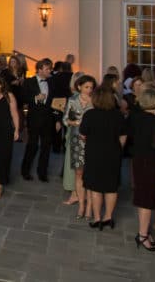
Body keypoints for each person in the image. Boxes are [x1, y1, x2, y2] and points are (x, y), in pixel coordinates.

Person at [80, 85, 127, 230]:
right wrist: (117, 148)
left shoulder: (90, 115)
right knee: (111, 188)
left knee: (95, 188)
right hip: (113, 154)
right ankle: (108, 217)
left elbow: (83, 134)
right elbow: (123, 136)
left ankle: (97, 218)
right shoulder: (118, 115)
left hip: (94, 154)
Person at [129, 87, 155, 252]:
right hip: (149, 162)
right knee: (147, 198)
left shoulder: (135, 117)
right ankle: (142, 235)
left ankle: (145, 232)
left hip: (137, 160)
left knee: (143, 196)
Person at [63, 74, 96, 219]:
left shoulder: (95, 101)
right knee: (78, 172)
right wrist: (74, 123)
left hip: (92, 140)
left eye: (91, 87)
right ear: (79, 87)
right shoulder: (72, 100)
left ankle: (89, 206)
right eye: (87, 87)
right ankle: (81, 204)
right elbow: (65, 119)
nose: (89, 90)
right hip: (76, 139)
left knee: (90, 172)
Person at [20, 58, 57, 182]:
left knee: (46, 146)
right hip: (34, 119)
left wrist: (57, 119)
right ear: (40, 69)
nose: (50, 71)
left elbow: (56, 102)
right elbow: (23, 98)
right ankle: (25, 171)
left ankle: (42, 173)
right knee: (32, 145)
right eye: (47, 69)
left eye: (50, 68)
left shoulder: (52, 82)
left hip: (48, 119)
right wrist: (35, 98)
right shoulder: (29, 82)